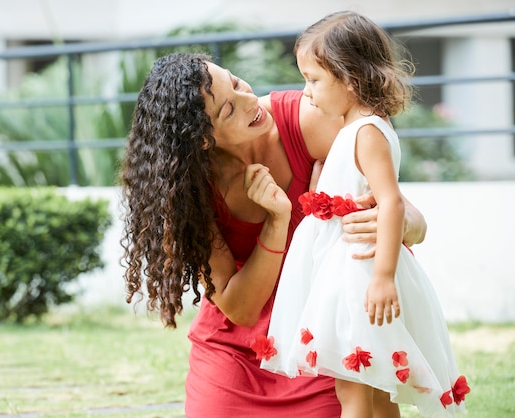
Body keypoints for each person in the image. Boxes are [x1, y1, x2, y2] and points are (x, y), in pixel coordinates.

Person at [119, 47, 427, 417]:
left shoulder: (308, 121)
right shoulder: (186, 191)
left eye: (235, 82)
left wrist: (404, 222)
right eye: (228, 109)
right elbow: (240, 308)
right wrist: (277, 221)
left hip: (316, 325)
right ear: (202, 138)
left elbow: (402, 209)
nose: (249, 100)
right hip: (234, 350)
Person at [259, 11, 470, 418]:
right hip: (347, 268)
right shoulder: (354, 129)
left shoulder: (367, 131)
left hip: (361, 273)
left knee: (354, 393)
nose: (306, 92)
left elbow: (390, 202)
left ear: (350, 77)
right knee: (375, 388)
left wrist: (383, 278)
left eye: (314, 79)